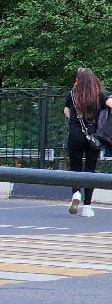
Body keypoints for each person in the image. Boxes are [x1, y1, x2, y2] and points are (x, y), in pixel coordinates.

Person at [63, 66, 112, 218]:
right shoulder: (98, 94)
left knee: (75, 167)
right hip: (93, 136)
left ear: (78, 80)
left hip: (75, 134)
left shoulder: (71, 94)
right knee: (90, 170)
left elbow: (66, 111)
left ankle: (76, 194)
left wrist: (75, 119)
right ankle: (87, 207)